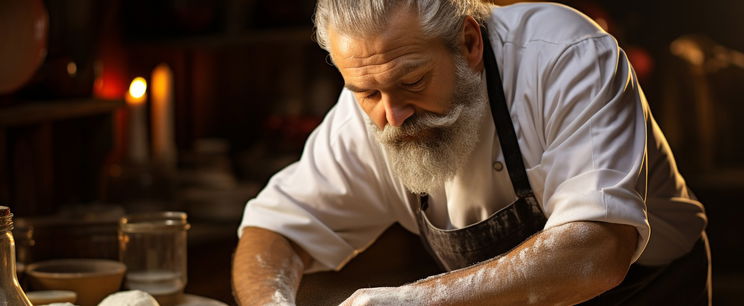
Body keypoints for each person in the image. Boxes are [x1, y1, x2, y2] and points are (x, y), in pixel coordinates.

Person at [232, 1, 711, 305]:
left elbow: (598, 249)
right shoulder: (375, 95)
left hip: (648, 289)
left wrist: (414, 302)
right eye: (366, 92)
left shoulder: (565, 55)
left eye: (413, 82)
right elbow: (272, 231)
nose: (392, 115)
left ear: (468, 42)